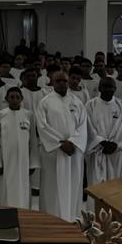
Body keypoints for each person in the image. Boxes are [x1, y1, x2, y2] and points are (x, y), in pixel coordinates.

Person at [35, 71, 88, 222]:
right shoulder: (45, 102)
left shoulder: (77, 102)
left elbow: (83, 126)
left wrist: (73, 142)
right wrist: (60, 143)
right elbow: (42, 126)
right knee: (53, 186)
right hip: (54, 152)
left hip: (74, 152)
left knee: (73, 184)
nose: (62, 83)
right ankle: (51, 218)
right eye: (58, 81)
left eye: (64, 81)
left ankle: (72, 218)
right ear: (52, 82)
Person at [0, 87, 38, 208]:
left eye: (17, 97)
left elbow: (33, 140)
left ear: (22, 98)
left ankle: (24, 213)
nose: (15, 100)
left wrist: (33, 163)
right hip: (5, 160)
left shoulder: (29, 115)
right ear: (6, 99)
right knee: (5, 189)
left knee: (23, 189)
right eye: (12, 97)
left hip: (23, 161)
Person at [85, 77, 122, 187]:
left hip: (116, 151)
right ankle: (96, 205)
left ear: (115, 88)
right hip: (97, 150)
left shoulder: (121, 105)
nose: (108, 89)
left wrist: (116, 144)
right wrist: (101, 142)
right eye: (105, 86)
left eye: (110, 87)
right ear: (99, 88)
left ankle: (116, 205)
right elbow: (88, 126)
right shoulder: (90, 105)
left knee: (116, 185)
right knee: (97, 186)